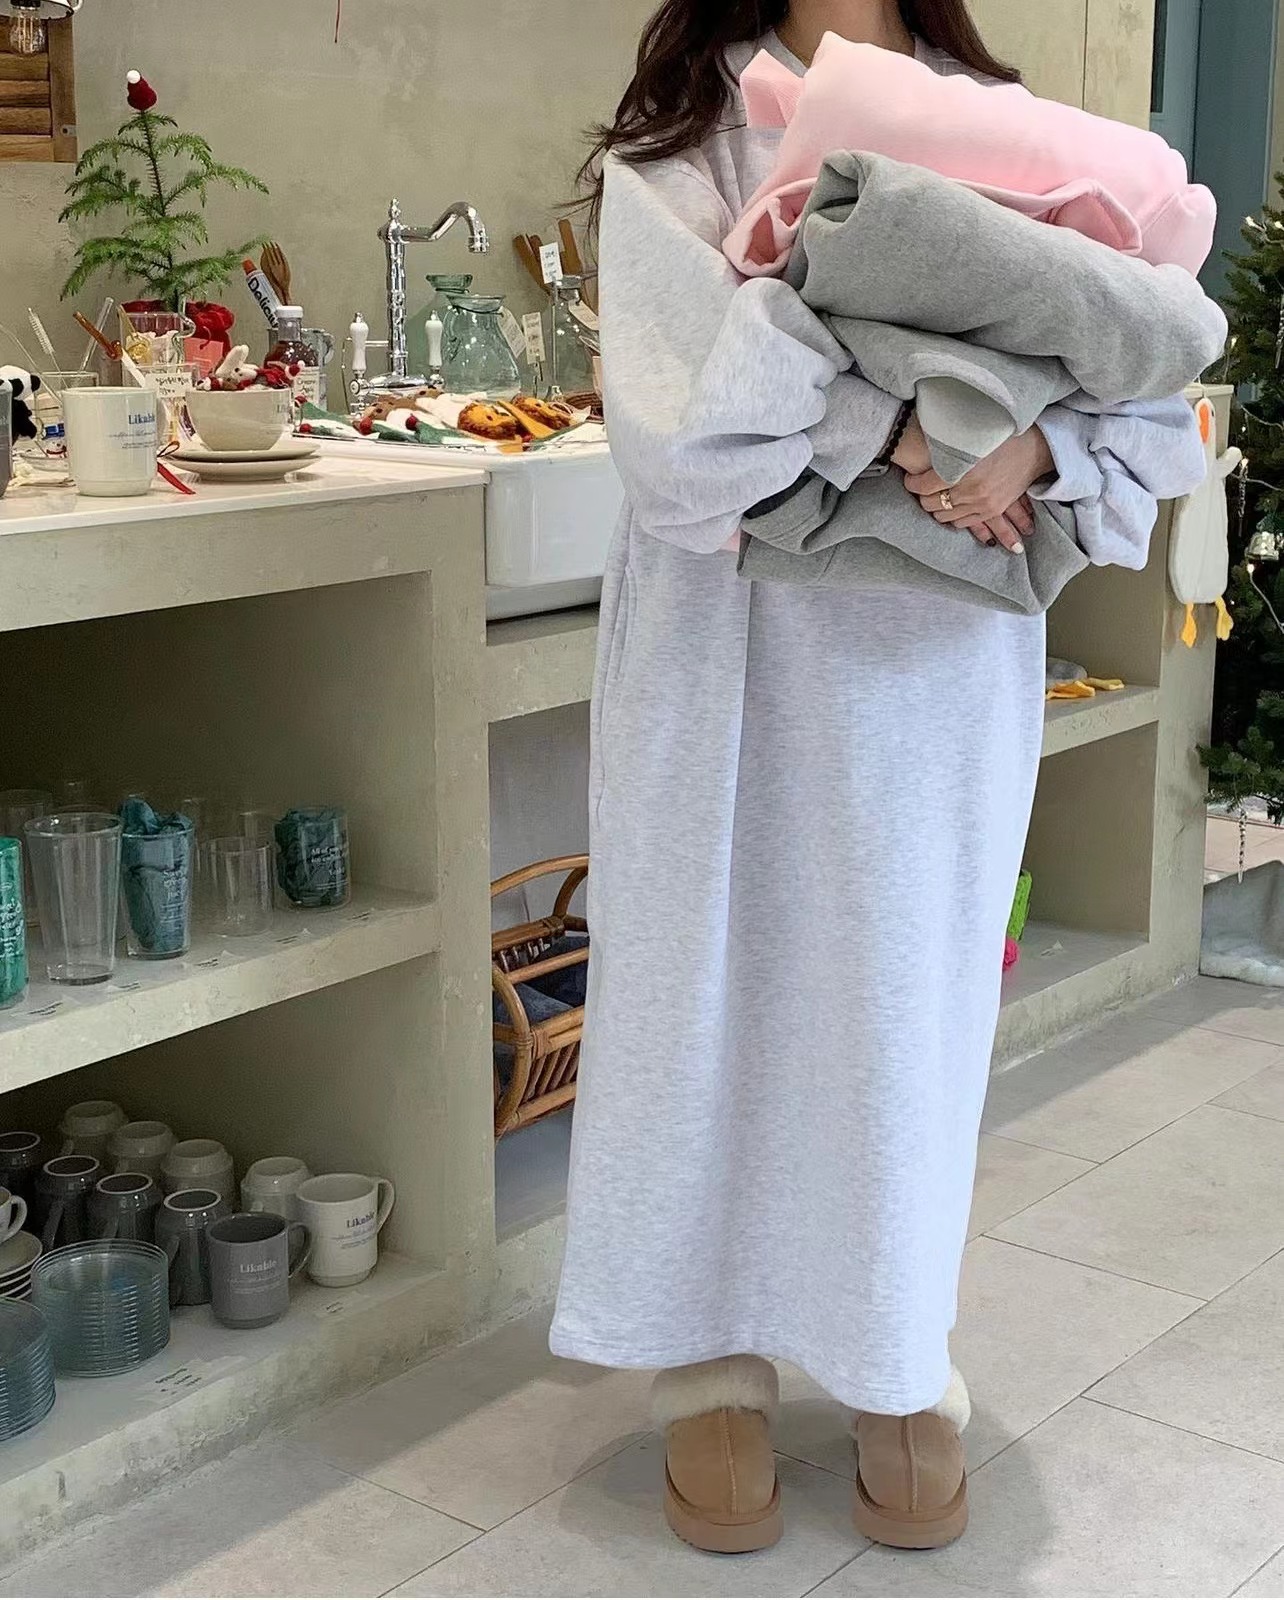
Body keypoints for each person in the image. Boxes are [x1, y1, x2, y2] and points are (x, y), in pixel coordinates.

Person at [550, 0, 1210, 1555]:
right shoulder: (685, 142)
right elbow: (674, 441)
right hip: (730, 654)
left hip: (935, 669)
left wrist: (1031, 451)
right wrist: (904, 419)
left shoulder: (1017, 130)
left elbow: (1139, 388)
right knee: (711, 986)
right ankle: (706, 1357)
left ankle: (898, 1351)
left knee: (904, 1009)